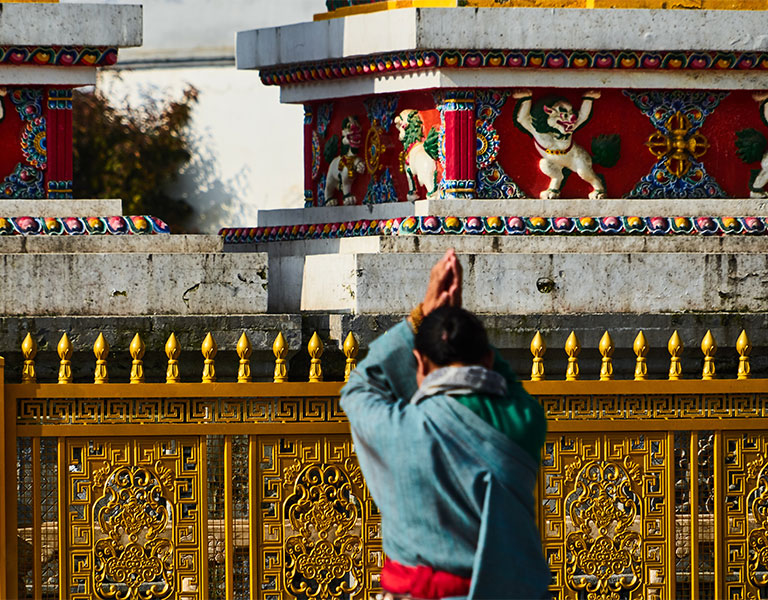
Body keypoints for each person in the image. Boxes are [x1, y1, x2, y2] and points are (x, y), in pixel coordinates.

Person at [340, 249, 551, 600]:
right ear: (485, 359)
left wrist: (422, 316)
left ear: (418, 363)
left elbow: (360, 386)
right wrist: (456, 325)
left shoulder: (397, 428)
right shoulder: (525, 419)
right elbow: (505, 381)